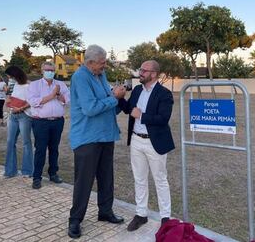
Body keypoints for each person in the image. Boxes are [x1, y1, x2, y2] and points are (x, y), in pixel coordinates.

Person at [68, 45, 126, 239]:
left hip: (106, 135)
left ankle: (105, 211)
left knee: (106, 176)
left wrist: (116, 98)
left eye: (105, 62)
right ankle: (75, 220)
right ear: (90, 62)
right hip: (87, 138)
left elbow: (107, 100)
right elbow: (90, 108)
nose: (105, 65)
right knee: (84, 181)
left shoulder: (101, 75)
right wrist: (114, 98)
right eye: (102, 63)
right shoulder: (80, 77)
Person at [119, 60, 175, 232]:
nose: (141, 72)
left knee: (160, 179)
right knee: (139, 178)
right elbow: (129, 109)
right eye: (140, 69)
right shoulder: (137, 90)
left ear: (154, 74)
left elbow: (163, 118)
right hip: (136, 140)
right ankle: (141, 214)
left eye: (144, 70)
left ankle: (165, 218)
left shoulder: (164, 94)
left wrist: (142, 116)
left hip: (154, 142)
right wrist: (120, 99)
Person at [27, 61, 70, 189]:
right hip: (41, 122)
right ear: (42, 71)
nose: (50, 72)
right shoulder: (34, 85)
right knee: (40, 149)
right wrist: (51, 95)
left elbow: (68, 100)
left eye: (52, 70)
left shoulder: (60, 85)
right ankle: (37, 177)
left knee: (54, 148)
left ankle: (53, 173)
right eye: (47, 70)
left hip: (57, 121)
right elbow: (33, 102)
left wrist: (58, 94)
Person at [3, 66, 33, 178]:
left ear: (15, 75)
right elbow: (8, 99)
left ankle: (28, 171)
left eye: (9, 76)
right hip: (12, 116)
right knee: (10, 142)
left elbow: (32, 101)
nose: (8, 78)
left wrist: (20, 108)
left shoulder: (29, 86)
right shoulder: (12, 86)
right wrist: (9, 102)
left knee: (26, 143)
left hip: (24, 116)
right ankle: (10, 171)